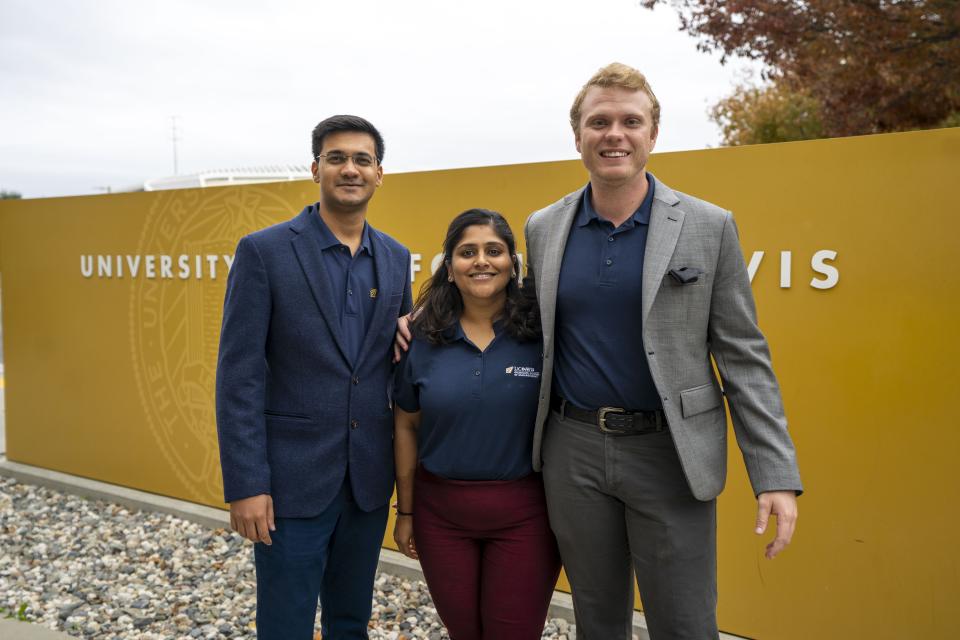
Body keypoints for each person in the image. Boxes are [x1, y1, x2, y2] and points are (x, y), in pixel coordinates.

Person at [521, 62, 803, 639]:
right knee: (596, 619)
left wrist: (774, 473)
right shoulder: (544, 227)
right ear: (578, 136)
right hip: (572, 452)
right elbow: (525, 325)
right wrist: (428, 319)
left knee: (684, 622)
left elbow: (743, 354)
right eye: (599, 121)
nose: (614, 134)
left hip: (670, 453)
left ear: (653, 134)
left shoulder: (708, 225)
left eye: (631, 121)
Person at [215, 115, 412, 640]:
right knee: (285, 625)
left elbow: (399, 360)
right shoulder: (264, 251)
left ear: (379, 174)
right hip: (289, 484)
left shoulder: (394, 258)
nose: (350, 169)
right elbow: (239, 376)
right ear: (316, 168)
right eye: (337, 158)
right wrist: (247, 483)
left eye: (362, 160)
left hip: (367, 481)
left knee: (351, 621)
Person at [392, 209, 561, 640]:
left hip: (526, 516)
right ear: (449, 268)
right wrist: (406, 512)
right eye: (467, 252)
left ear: (513, 264)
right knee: (463, 632)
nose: (481, 261)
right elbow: (407, 427)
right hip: (440, 517)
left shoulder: (543, 335)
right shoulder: (420, 337)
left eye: (494, 251)